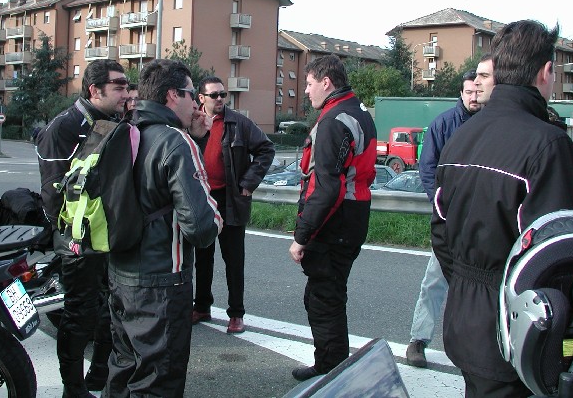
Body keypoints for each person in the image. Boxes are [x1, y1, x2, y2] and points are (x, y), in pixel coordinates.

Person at [431, 20, 573, 397]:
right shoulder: (549, 144)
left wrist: (471, 285)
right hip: (516, 328)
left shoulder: (460, 136)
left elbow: (440, 232)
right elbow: (554, 256)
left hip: (463, 319)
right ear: (546, 71)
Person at [106, 59, 223, 398]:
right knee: (157, 382)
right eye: (191, 94)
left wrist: (195, 138)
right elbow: (200, 227)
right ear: (173, 95)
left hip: (119, 275)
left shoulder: (125, 130)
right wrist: (217, 218)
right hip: (161, 283)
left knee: (123, 370)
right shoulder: (174, 141)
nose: (197, 103)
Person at [36, 59, 129, 398]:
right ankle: (73, 388)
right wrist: (70, 235)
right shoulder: (63, 126)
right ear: (95, 90)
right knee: (79, 314)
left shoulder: (118, 121)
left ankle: (100, 375)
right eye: (119, 86)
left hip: (111, 236)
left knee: (113, 309)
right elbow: (52, 193)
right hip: (78, 239)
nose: (126, 93)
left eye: (127, 86)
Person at [288, 55, 377, 381]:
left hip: (335, 223)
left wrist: (302, 236)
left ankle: (331, 371)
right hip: (353, 216)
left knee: (323, 299)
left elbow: (326, 188)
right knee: (328, 294)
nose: (306, 90)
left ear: (326, 83)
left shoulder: (333, 120)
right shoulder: (358, 111)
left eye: (309, 83)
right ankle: (331, 365)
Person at [406, 69, 480, 368]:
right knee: (435, 281)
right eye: (469, 92)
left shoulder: (495, 124)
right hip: (449, 218)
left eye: (478, 91)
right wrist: (440, 205)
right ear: (461, 93)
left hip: (485, 219)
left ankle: (482, 347)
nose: (474, 97)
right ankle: (418, 340)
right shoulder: (444, 124)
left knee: (484, 285)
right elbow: (427, 169)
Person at [192, 76, 275, 333]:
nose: (220, 99)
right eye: (214, 95)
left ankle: (236, 314)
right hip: (201, 199)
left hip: (230, 199)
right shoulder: (192, 122)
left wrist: (248, 183)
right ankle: (202, 306)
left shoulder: (239, 123)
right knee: (202, 257)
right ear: (201, 98)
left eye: (223, 94)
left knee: (234, 260)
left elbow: (266, 149)